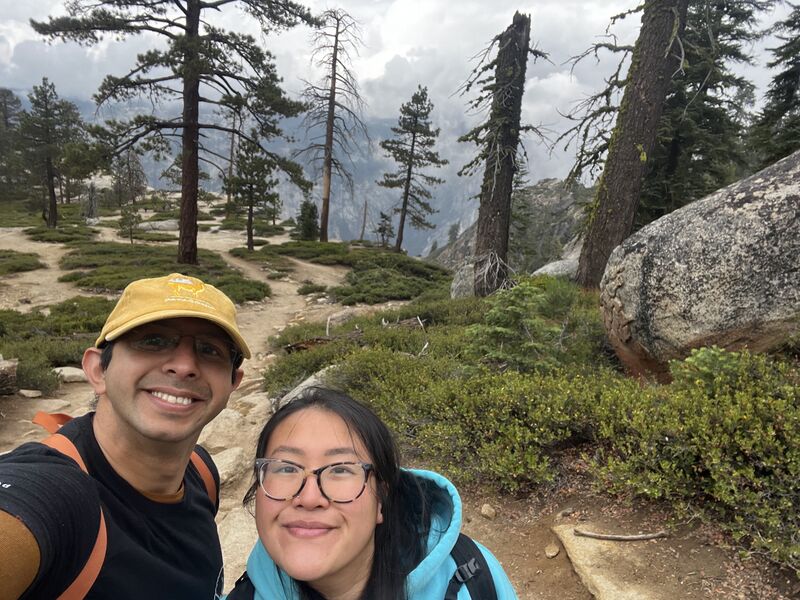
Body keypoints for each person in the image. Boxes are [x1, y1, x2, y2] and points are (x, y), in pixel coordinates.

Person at [0, 272, 250, 599]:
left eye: (209, 349)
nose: (185, 365)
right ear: (98, 371)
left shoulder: (201, 473)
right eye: (154, 341)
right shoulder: (53, 495)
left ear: (233, 383)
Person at [227, 387, 518, 600]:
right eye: (286, 468)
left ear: (381, 499)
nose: (310, 498)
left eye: (340, 470)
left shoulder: (472, 576)